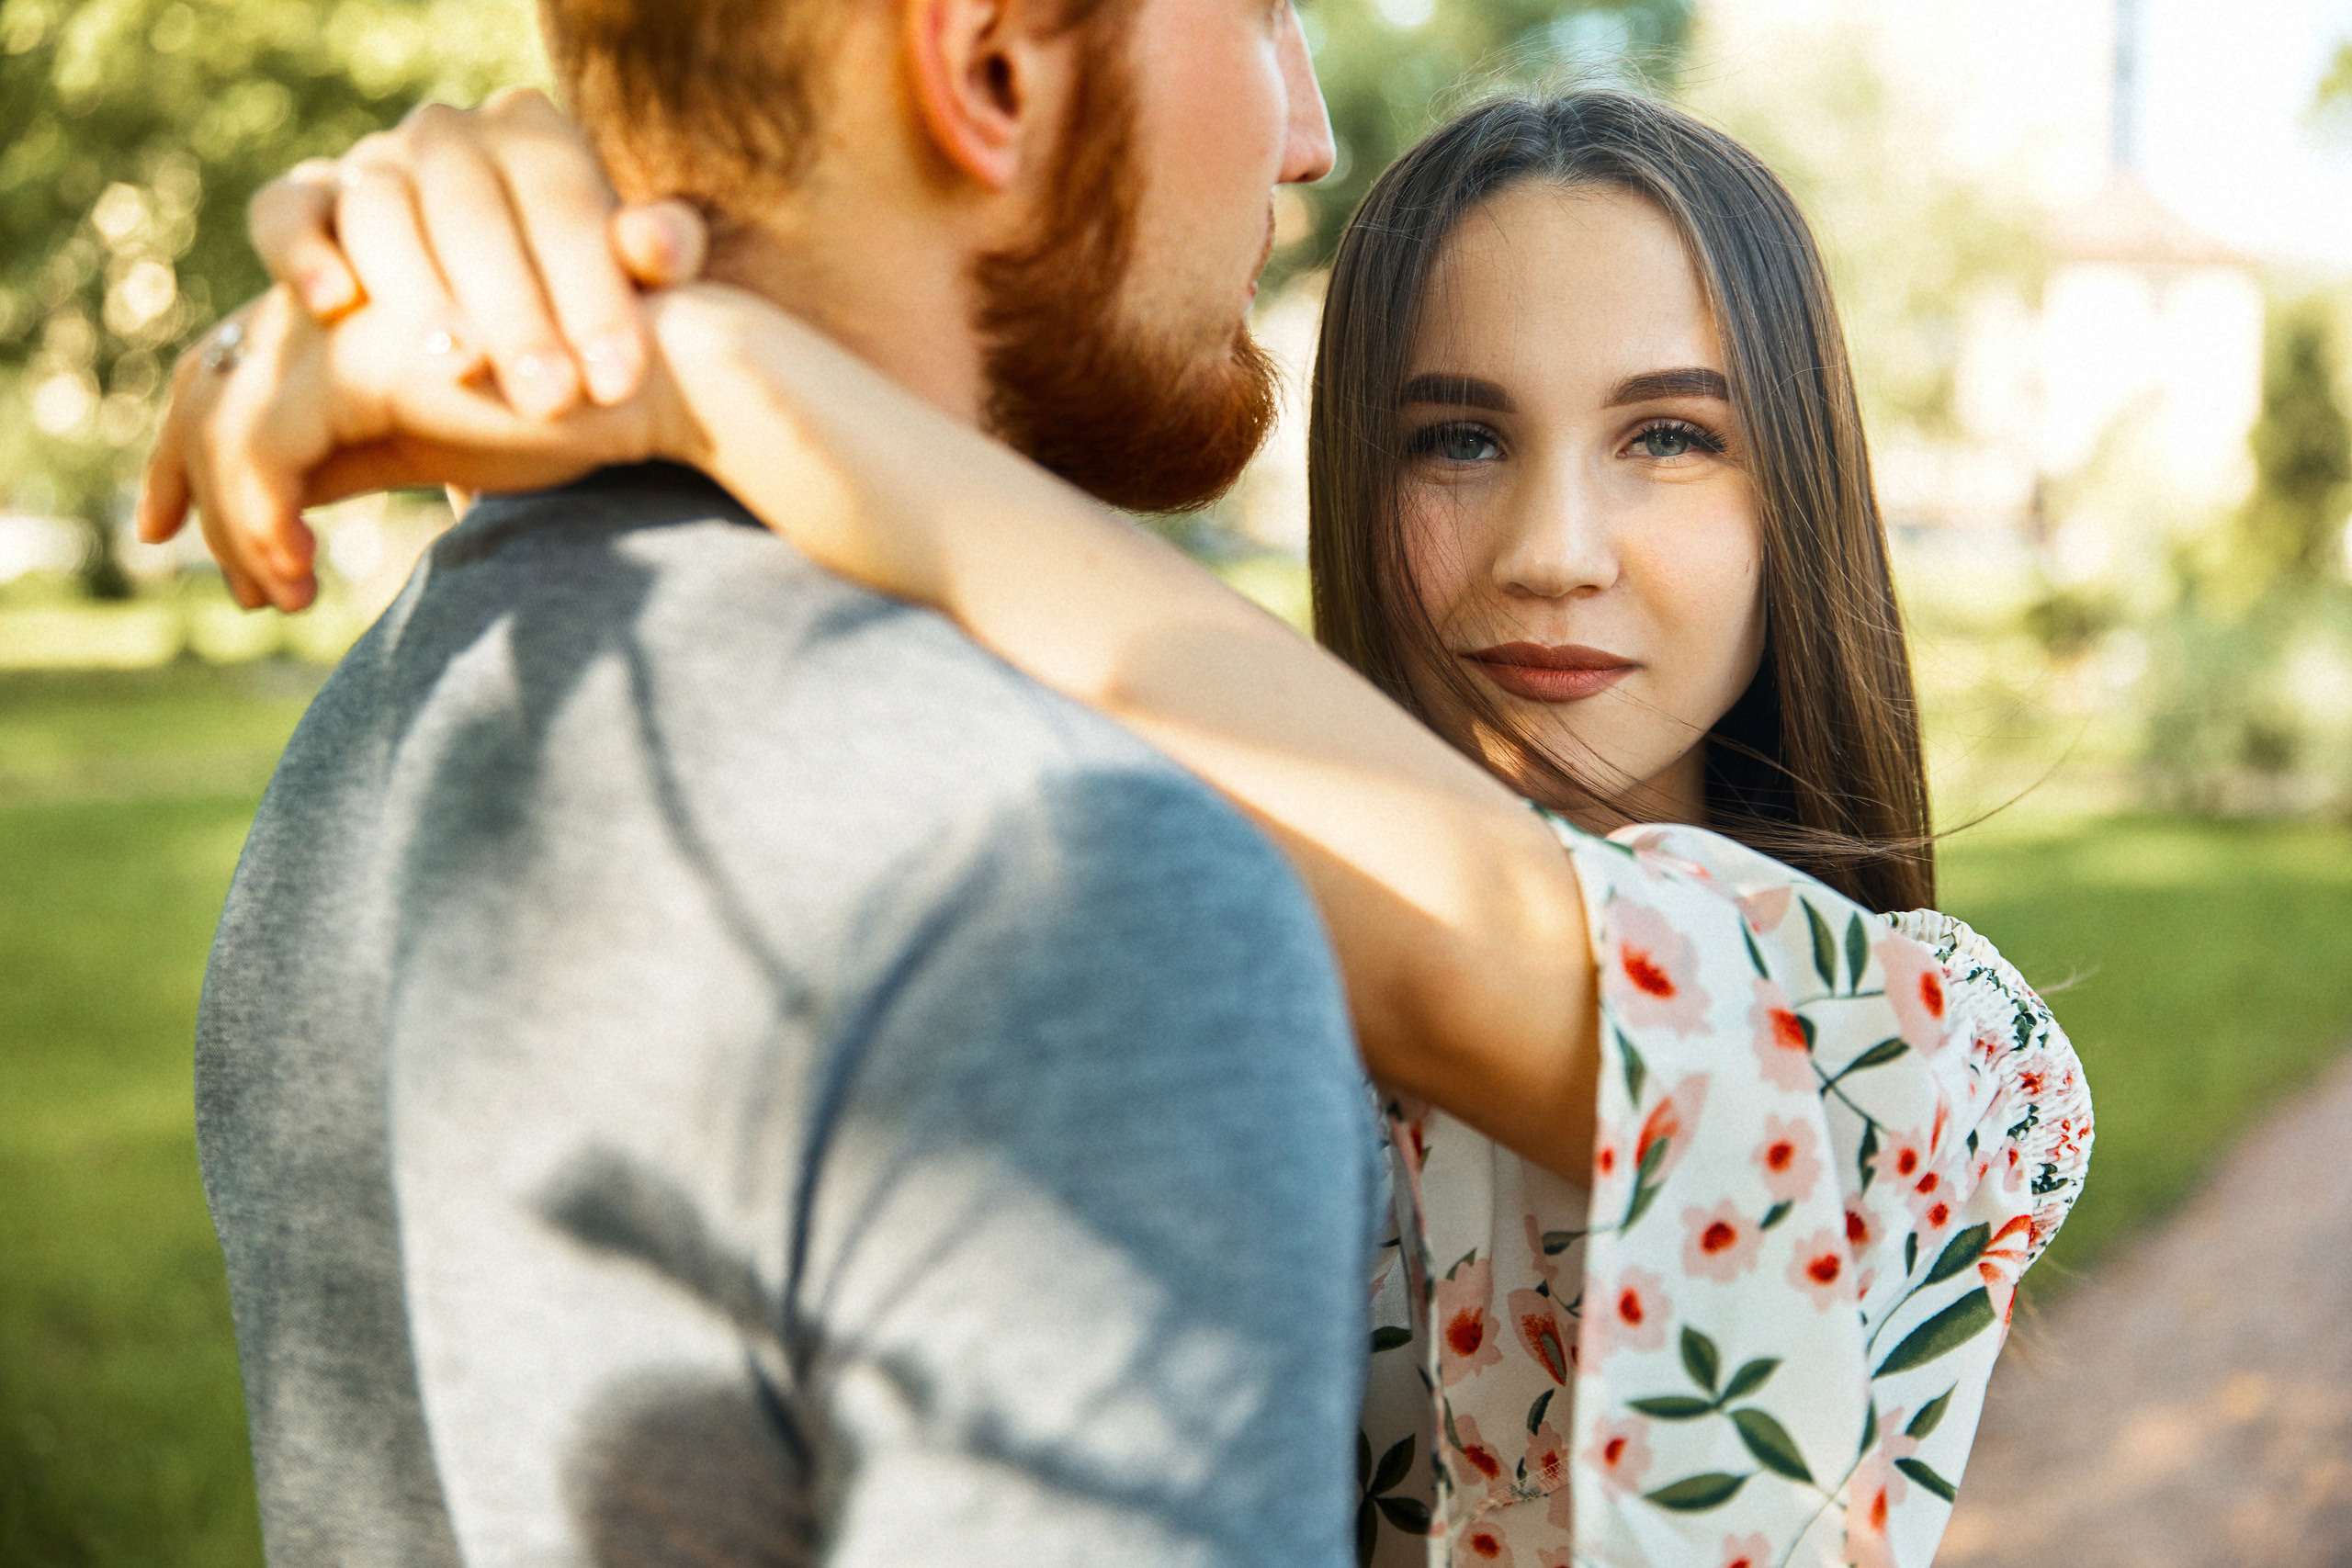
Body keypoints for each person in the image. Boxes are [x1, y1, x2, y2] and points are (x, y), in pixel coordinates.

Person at [147, 79, 2092, 1568]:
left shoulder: (1942, 1062)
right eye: (1456, 436)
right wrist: (531, 271)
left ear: (1795, 497)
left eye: (1669, 437)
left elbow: (1506, 944)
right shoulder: (1144, 867)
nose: (1550, 549)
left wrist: (696, 356)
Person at [143, 3, 1399, 1565]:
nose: (1308, 138)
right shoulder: (1065, 881)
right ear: (990, 65)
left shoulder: (384, 723)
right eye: (1261, 13)